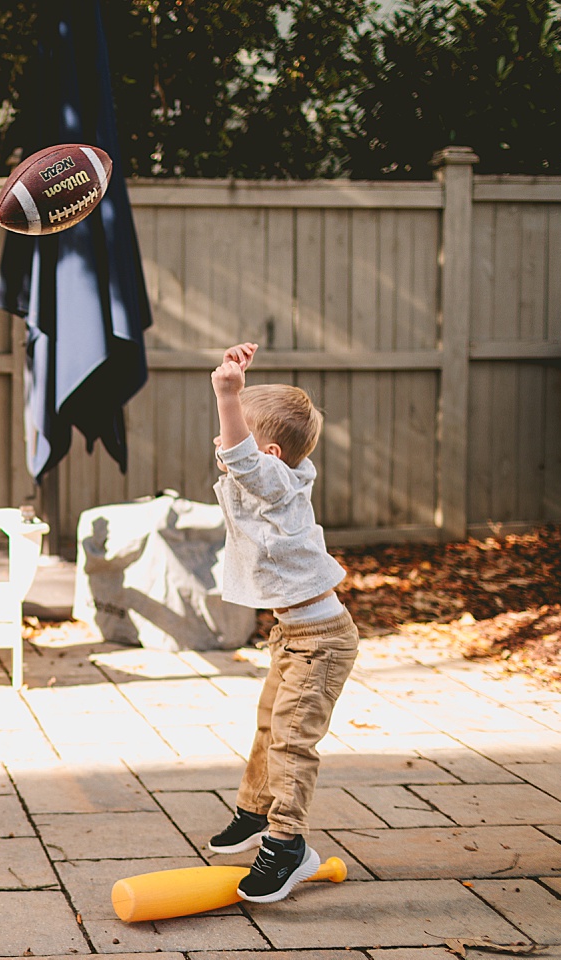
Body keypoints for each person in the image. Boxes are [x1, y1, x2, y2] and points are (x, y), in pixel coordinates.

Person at [204, 342, 357, 902]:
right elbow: (240, 453)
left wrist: (229, 396)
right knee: (270, 724)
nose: (222, 447)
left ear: (268, 452)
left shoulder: (276, 488)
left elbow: (243, 455)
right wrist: (240, 387)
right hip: (294, 634)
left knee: (293, 741)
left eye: (234, 438)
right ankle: (255, 811)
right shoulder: (265, 478)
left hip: (321, 641)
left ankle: (289, 843)